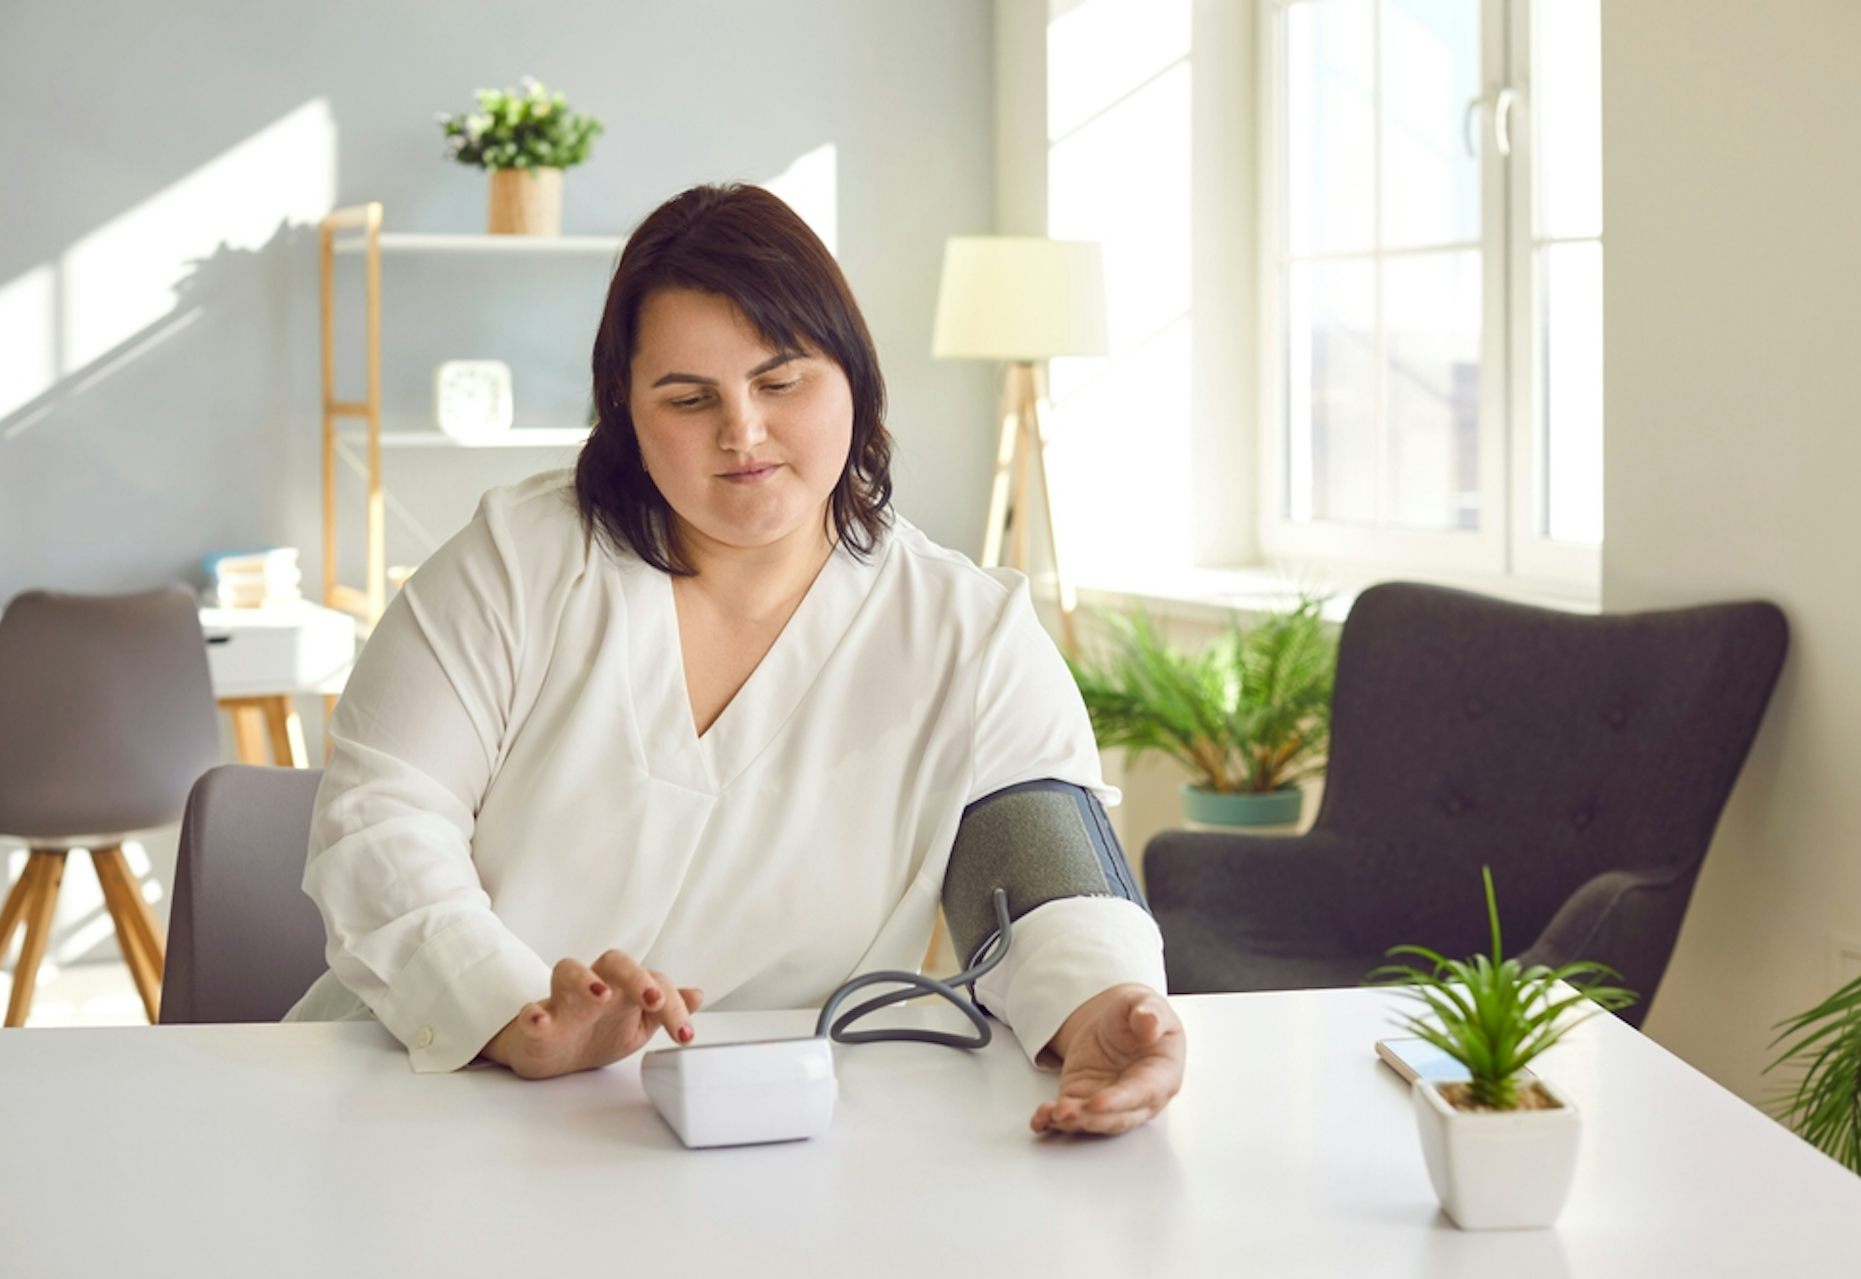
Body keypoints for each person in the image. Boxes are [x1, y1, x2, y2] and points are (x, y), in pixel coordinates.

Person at [284, 183, 1186, 1137]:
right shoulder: (516, 561)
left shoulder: (973, 632)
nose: (742, 432)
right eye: (688, 397)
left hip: (758, 1126)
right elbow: (380, 817)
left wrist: (1105, 1010)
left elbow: (1038, 863)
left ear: (855, 379)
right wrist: (513, 1014)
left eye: (782, 381)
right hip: (437, 1089)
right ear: (624, 410)